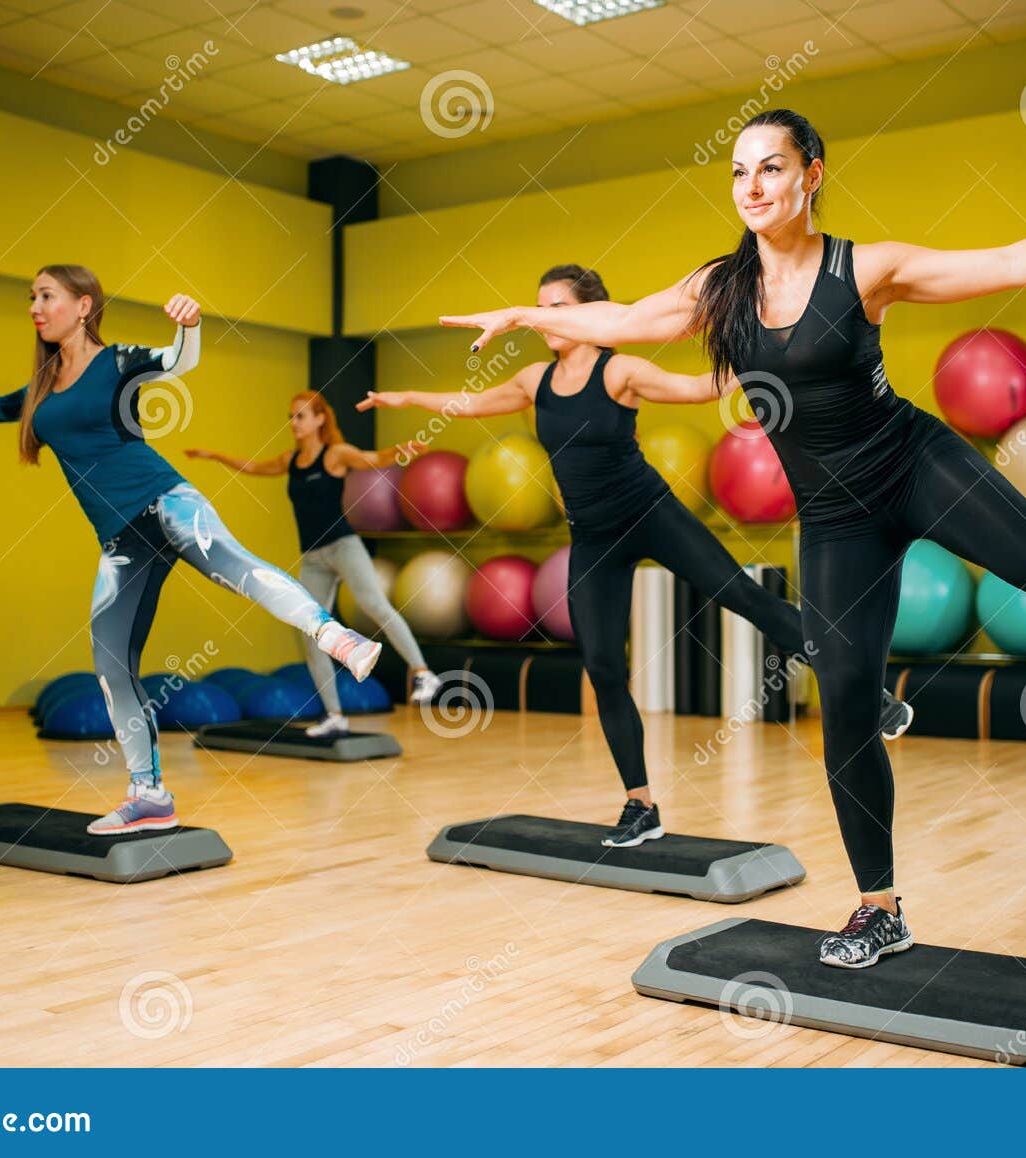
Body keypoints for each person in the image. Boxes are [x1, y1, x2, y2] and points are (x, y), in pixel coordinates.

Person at [438, 110, 1026, 967]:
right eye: (738, 173)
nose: (753, 186)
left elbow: (1010, 260)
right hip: (835, 517)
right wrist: (528, 315)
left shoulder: (865, 269)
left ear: (812, 175)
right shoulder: (719, 290)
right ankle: (880, 908)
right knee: (843, 704)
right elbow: (623, 318)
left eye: (772, 168)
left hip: (915, 465)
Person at [362, 263, 913, 848]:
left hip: (651, 515)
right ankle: (639, 804)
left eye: (558, 307)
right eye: (540, 308)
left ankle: (864, 695)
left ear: (588, 314)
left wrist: (767, 358)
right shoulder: (533, 381)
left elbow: (698, 388)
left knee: (747, 599)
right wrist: (403, 396)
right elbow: (469, 404)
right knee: (601, 665)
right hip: (594, 538)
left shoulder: (618, 369)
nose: (546, 318)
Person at [0, 265, 381, 835]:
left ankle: (338, 636)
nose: (35, 307)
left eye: (47, 296)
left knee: (236, 571)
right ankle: (150, 794)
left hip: (165, 500)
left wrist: (190, 326)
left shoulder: (117, 363)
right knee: (111, 662)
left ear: (84, 305)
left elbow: (176, 361)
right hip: (121, 539)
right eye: (31, 298)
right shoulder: (42, 389)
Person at [186, 392, 442, 735]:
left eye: (301, 416)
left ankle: (423, 673)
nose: (294, 423)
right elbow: (255, 467)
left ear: (320, 419)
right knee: (311, 630)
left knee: (374, 605)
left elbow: (374, 458)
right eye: (291, 417)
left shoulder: (336, 455)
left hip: (343, 546)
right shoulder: (290, 459)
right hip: (313, 557)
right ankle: (335, 716)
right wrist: (215, 455)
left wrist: (401, 451)